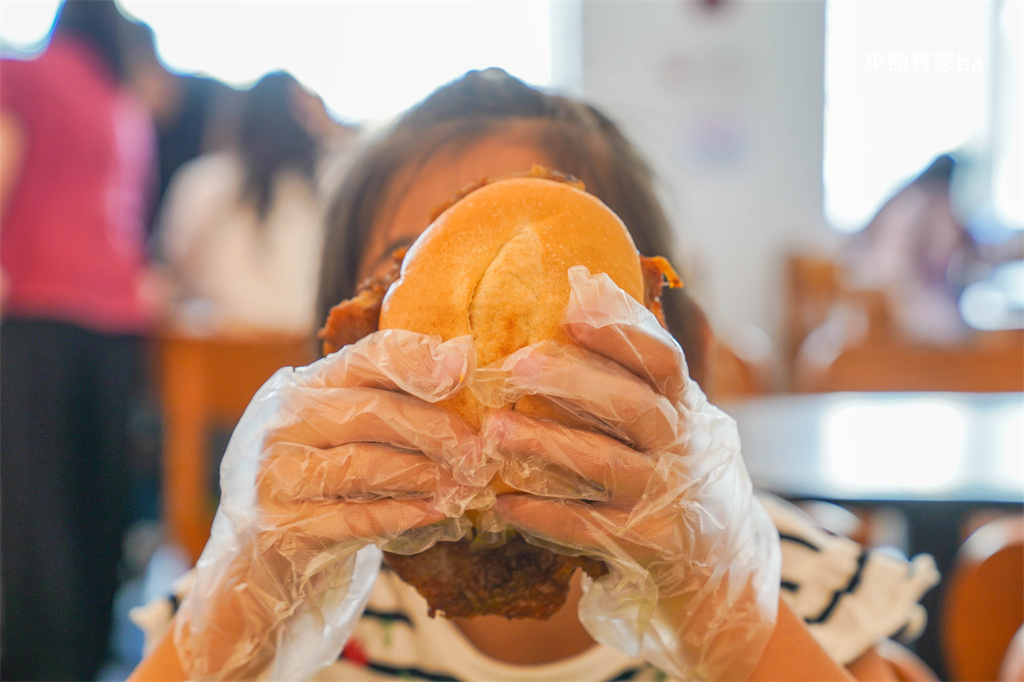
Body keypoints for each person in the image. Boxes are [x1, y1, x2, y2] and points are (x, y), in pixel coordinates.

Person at [128, 69, 937, 682]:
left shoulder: (774, 577)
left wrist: (724, 611)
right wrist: (247, 598)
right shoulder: (276, 598)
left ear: (668, 343)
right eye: (407, 275)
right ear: (340, 353)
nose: (483, 350)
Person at [0, 1, 156, 679]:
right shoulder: (127, 107)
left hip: (40, 310)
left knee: (34, 502)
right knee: (98, 498)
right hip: (120, 323)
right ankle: (92, 655)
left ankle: (40, 662)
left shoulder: (22, 76)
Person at [155, 71, 334, 335]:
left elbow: (172, 271)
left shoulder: (204, 181)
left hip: (214, 359)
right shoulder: (321, 194)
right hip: (300, 356)